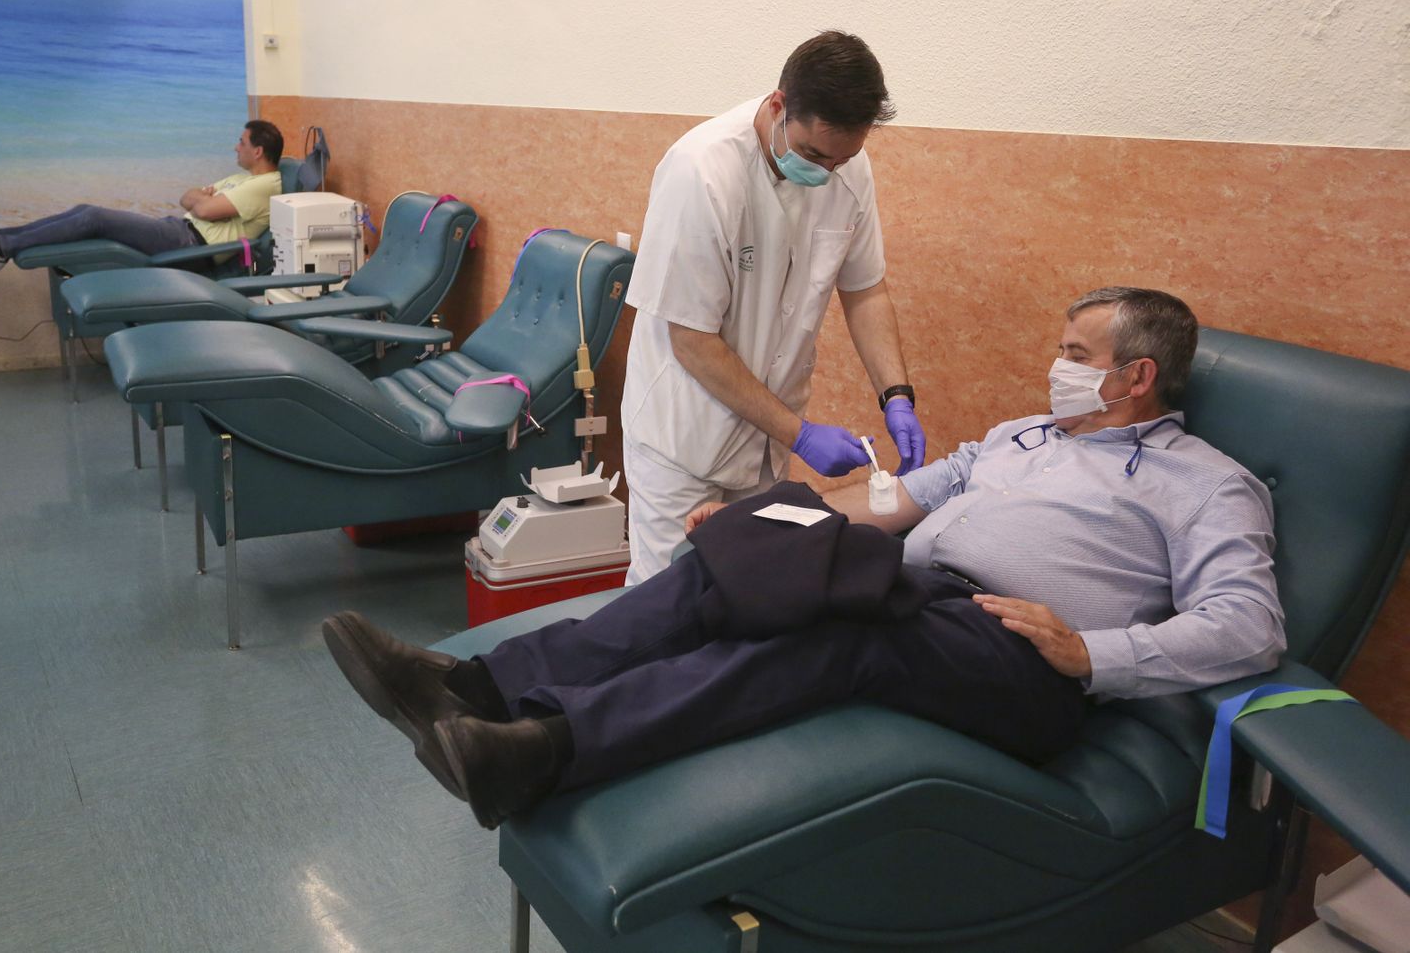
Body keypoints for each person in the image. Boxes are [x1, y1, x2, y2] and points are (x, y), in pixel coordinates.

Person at [324, 286, 1286, 829]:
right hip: (918, 586)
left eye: (1075, 350)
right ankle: (479, 690)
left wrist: (1093, 654)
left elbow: (1250, 626)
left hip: (1022, 662)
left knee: (837, 639)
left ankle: (544, 752)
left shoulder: (1205, 484)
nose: (1056, 361)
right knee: (737, 562)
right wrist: (765, 519)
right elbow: (895, 502)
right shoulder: (1023, 434)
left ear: (1136, 376)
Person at [619, 31, 925, 585]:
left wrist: (896, 394)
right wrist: (801, 434)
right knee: (664, 602)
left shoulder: (846, 166)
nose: (828, 172)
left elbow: (865, 290)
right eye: (813, 155)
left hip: (764, 439)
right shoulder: (702, 172)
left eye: (844, 158)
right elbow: (692, 340)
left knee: (751, 592)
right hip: (684, 435)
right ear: (779, 105)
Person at [0, 120, 285, 269]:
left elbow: (206, 210)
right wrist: (201, 201)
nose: (234, 147)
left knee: (93, 219)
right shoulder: (241, 179)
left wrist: (203, 202)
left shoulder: (265, 185)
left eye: (241, 142)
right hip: (179, 230)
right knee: (85, 209)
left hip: (190, 247)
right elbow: (188, 197)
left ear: (258, 152)